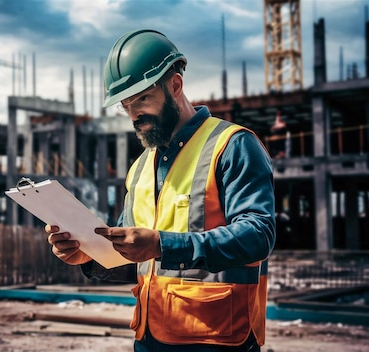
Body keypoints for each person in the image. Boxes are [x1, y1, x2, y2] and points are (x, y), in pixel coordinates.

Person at [46, 29, 275, 351]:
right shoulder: (141, 167)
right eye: (126, 106)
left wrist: (162, 245)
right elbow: (133, 254)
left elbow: (258, 236)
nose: (134, 115)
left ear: (175, 86)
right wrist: (86, 254)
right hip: (151, 338)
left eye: (142, 99)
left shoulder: (232, 145)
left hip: (217, 338)